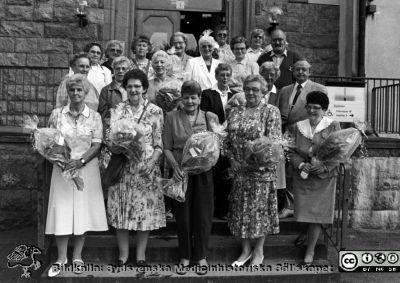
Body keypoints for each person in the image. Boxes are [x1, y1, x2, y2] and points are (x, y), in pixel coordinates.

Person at [46, 74, 108, 277]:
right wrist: (60, 161)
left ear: (86, 92)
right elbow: (48, 141)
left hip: (86, 169)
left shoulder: (95, 116)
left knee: (83, 212)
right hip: (62, 169)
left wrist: (80, 161)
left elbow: (97, 144)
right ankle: (61, 259)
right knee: (62, 212)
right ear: (67, 92)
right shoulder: (57, 114)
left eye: (79, 90)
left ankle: (77, 257)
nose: (75, 93)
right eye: (72, 89)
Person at [106, 69, 165, 267]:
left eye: (137, 86)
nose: (133, 90)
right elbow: (110, 141)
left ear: (144, 88)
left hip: (145, 170)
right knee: (121, 210)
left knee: (144, 213)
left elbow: (159, 145)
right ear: (125, 88)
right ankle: (122, 255)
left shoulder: (155, 111)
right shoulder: (117, 110)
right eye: (129, 86)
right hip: (123, 167)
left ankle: (141, 255)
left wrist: (151, 162)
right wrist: (118, 145)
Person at [163, 80, 219, 273]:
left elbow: (216, 146)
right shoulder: (171, 117)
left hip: (204, 173)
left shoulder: (209, 117)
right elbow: (167, 148)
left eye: (194, 97)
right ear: (181, 98)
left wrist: (207, 161)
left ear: (200, 98)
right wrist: (175, 167)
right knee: (183, 216)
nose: (190, 101)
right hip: (181, 173)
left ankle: (201, 256)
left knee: (203, 215)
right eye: (186, 97)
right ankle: (185, 256)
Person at [225, 75, 281, 267]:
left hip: (261, 172)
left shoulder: (270, 112)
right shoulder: (235, 112)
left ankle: (259, 251)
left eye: (255, 89)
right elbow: (227, 140)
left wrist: (253, 156)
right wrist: (232, 159)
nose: (251, 92)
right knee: (241, 211)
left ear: (264, 91)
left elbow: (273, 144)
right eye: (248, 88)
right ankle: (246, 250)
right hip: (239, 172)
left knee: (260, 213)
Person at [288, 91, 340, 265]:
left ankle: (309, 251)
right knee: (302, 212)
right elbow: (289, 150)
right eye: (309, 106)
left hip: (323, 178)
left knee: (317, 215)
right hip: (303, 176)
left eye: (316, 108)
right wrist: (301, 164)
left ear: (324, 110)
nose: (311, 110)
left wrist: (324, 166)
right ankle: (307, 231)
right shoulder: (297, 126)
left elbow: (340, 151)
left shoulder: (333, 125)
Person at [277, 59, 328, 220]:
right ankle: (289, 205)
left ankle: (302, 207)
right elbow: (279, 113)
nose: (300, 72)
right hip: (287, 134)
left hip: (307, 134)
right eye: (297, 69)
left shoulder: (319, 88)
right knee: (288, 171)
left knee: (304, 171)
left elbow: (322, 113)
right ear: (293, 71)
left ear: (309, 71)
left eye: (304, 70)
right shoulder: (285, 90)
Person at [200, 63, 235, 220]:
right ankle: (210, 210)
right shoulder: (207, 94)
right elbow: (206, 114)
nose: (225, 77)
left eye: (228, 74)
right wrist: (217, 129)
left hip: (230, 140)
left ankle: (224, 210)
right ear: (216, 76)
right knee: (213, 174)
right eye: (222, 75)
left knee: (227, 174)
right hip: (213, 140)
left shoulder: (235, 94)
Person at [98, 56, 131, 123]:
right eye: (117, 69)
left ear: (128, 70)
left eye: (123, 69)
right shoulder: (106, 90)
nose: (120, 71)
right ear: (113, 70)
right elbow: (103, 114)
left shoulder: (133, 88)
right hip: (113, 126)